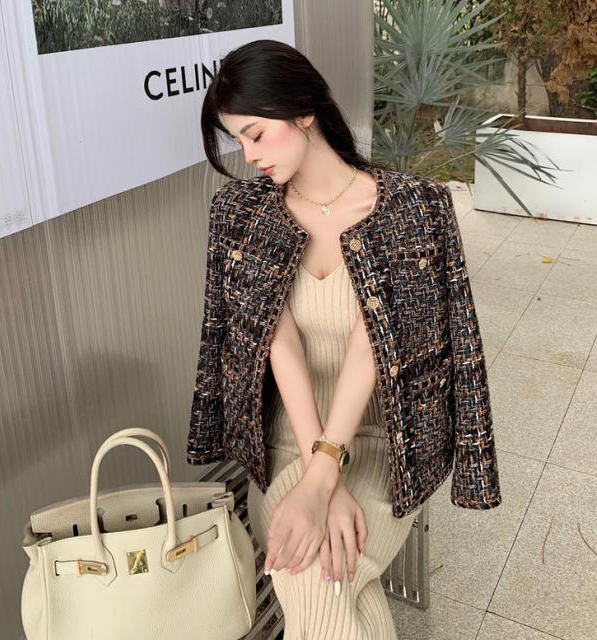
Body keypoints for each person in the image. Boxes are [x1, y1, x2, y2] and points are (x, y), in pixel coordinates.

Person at [194, 38, 501, 639]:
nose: (249, 155)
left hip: (384, 443)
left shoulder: (411, 208)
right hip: (286, 441)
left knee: (317, 580)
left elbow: (369, 349)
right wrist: (316, 477)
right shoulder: (243, 213)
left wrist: (327, 473)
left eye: (256, 134)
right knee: (327, 583)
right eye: (238, 140)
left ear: (304, 111)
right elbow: (278, 345)